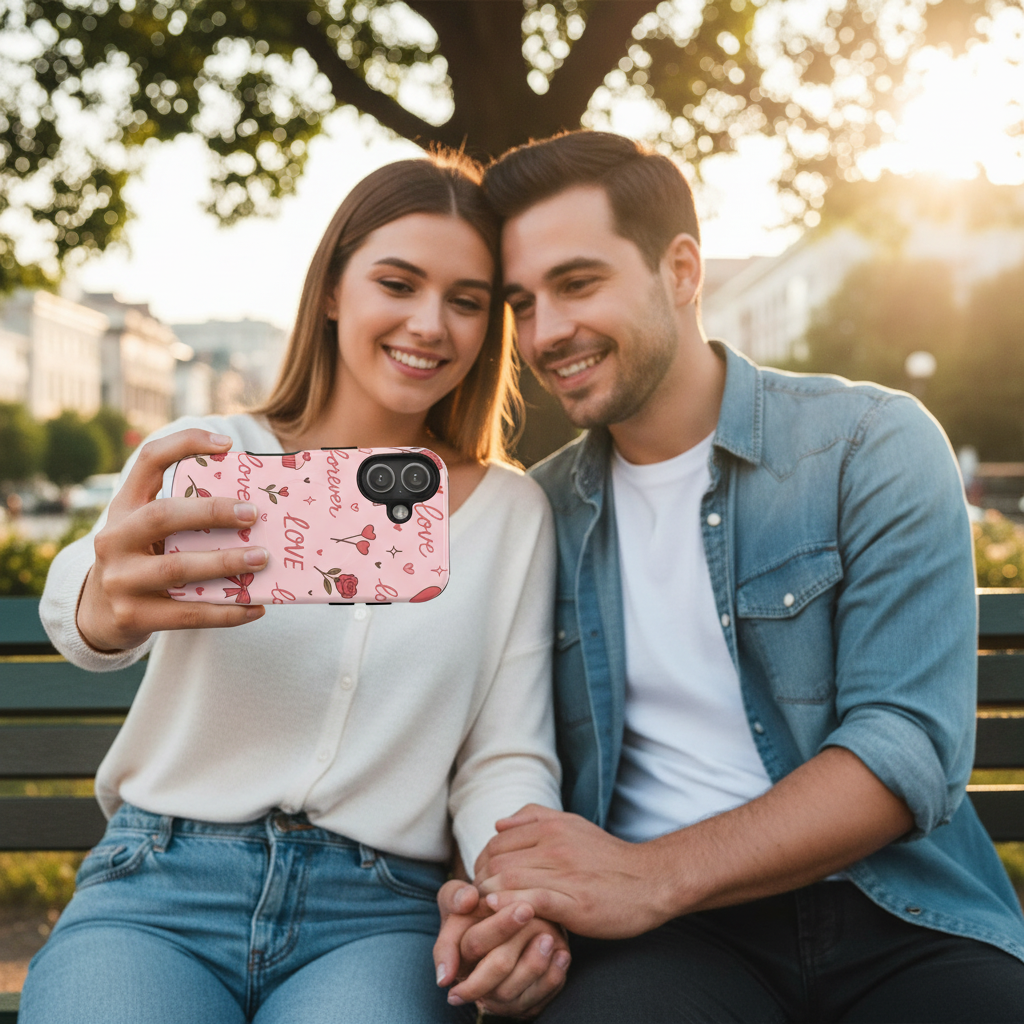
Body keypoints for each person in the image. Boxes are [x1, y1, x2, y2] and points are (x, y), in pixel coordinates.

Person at [436, 130, 1024, 1022]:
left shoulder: (868, 445)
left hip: (895, 911)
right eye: (522, 302)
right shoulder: (533, 513)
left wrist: (648, 876)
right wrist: (496, 901)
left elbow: (907, 743)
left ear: (681, 270)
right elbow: (487, 747)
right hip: (671, 950)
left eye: (579, 283)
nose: (546, 332)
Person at [23, 152, 569, 1024]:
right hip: (159, 886)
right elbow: (86, 605)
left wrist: (514, 894)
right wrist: (103, 601)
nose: (430, 323)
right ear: (331, 291)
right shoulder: (210, 449)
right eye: (397, 282)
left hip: (378, 913)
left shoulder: (511, 511)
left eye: (466, 300)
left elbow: (505, 752)